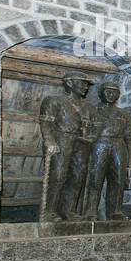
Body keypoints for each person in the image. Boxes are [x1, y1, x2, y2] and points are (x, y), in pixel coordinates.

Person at [38, 76, 97, 221]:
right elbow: (45, 123)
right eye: (82, 83)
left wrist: (91, 138)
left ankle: (69, 210)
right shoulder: (53, 101)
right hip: (61, 139)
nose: (85, 87)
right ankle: (50, 211)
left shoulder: (89, 107)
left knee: (77, 177)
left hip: (81, 142)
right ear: (69, 83)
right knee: (58, 175)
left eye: (86, 84)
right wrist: (50, 141)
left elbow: (96, 128)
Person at [84, 82, 131, 221]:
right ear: (101, 93)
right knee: (95, 178)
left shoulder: (124, 114)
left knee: (118, 179)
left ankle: (116, 211)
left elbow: (129, 136)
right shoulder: (93, 110)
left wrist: (130, 157)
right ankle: (91, 211)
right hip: (99, 144)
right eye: (108, 91)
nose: (111, 95)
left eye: (114, 92)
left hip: (118, 145)